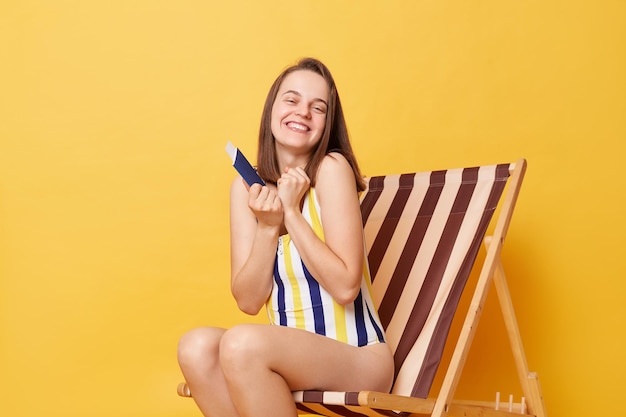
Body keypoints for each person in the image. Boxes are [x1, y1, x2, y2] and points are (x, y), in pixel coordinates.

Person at [177, 57, 394, 417]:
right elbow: (248, 300)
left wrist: (292, 214)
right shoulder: (246, 188)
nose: (303, 112)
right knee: (195, 347)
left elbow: (345, 287)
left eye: (317, 107)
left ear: (327, 123)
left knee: (242, 343)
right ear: (272, 109)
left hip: (357, 355)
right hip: (289, 356)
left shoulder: (331, 169)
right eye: (292, 100)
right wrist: (267, 225)